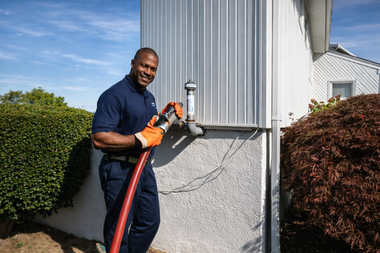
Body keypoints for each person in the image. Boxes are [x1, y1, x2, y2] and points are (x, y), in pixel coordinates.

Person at [91, 47, 183, 253]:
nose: (148, 72)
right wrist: (139, 140)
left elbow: (148, 130)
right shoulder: (114, 95)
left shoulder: (148, 96)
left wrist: (166, 117)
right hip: (119, 168)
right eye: (144, 65)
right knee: (119, 228)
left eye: (153, 69)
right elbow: (99, 138)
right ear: (133, 63)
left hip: (143, 169)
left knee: (149, 222)